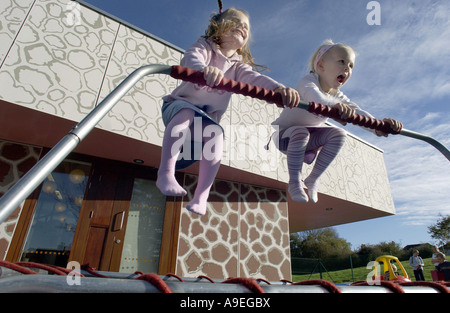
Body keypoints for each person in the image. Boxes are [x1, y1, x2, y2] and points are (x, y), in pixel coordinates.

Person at [156, 7, 299, 215]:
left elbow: (256, 79)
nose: (242, 27)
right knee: (186, 112)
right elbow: (190, 58)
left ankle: (200, 197)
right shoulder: (205, 47)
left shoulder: (238, 67)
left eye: (246, 27)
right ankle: (165, 173)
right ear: (217, 26)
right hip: (178, 107)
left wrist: (278, 89)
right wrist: (204, 69)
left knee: (216, 134)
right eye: (235, 21)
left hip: (203, 121)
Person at [270, 40, 402, 203]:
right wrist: (337, 108)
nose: (347, 68)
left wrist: (377, 126)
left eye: (351, 66)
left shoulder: (338, 96)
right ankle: (295, 182)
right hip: (283, 137)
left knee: (339, 134)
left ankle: (313, 179)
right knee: (300, 131)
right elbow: (317, 101)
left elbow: (357, 111)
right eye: (342, 62)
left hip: (308, 140)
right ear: (320, 66)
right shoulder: (308, 82)